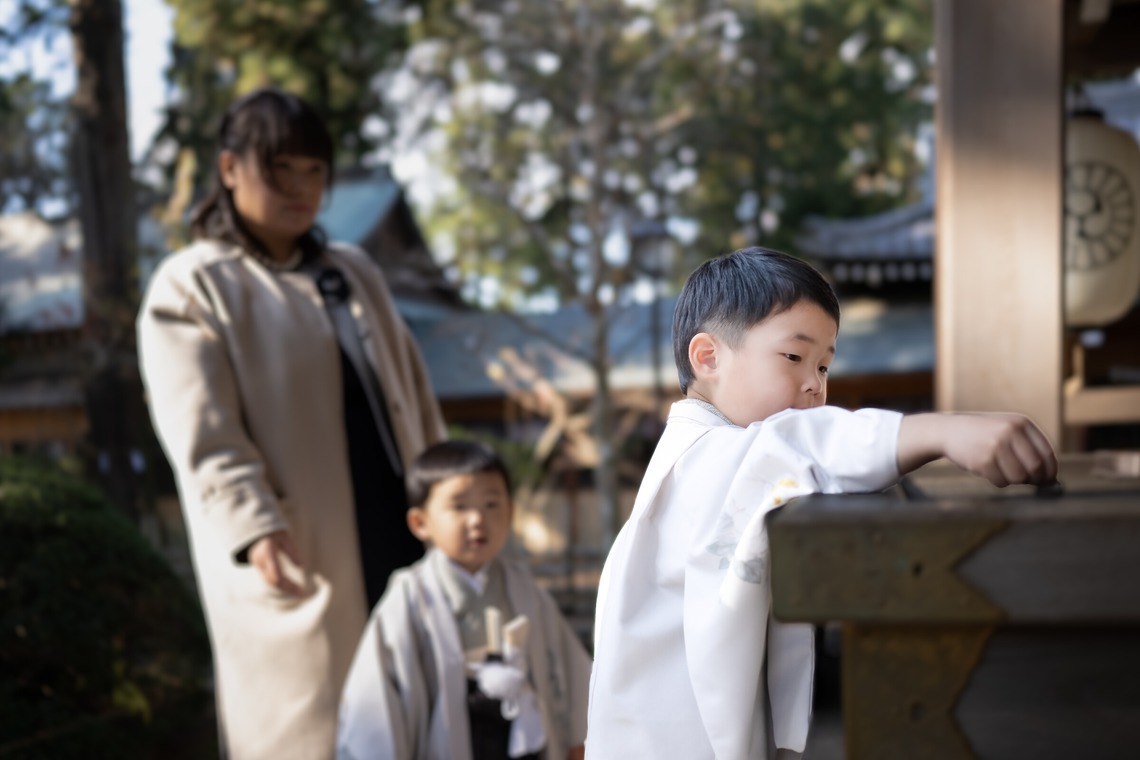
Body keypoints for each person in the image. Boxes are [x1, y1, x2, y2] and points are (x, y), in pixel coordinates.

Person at [585, 247, 1058, 760]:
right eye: (794, 357)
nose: (815, 384)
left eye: (825, 365)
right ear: (708, 358)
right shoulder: (705, 454)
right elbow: (800, 443)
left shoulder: (720, 455)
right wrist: (940, 430)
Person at [136, 88, 446, 759]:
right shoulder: (193, 285)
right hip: (299, 552)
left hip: (403, 537)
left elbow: (417, 400)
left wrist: (450, 494)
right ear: (228, 169)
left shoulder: (353, 270)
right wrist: (253, 525)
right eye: (281, 170)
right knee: (312, 733)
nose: (302, 188)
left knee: (426, 723)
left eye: (315, 172)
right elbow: (202, 432)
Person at [337, 440, 591, 760]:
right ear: (420, 523)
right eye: (459, 506)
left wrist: (580, 738)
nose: (477, 519)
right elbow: (377, 698)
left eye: (491, 504)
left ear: (511, 511)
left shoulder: (526, 590)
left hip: (521, 736)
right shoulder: (409, 595)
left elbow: (570, 671)